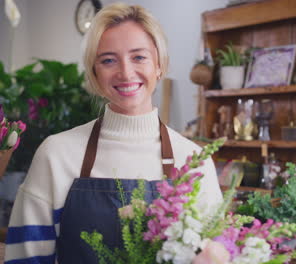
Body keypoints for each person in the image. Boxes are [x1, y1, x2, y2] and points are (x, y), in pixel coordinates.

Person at [4, 3, 222, 263]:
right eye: (108, 60)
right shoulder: (56, 154)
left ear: (159, 65)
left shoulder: (194, 160)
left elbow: (215, 253)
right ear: (95, 73)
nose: (126, 72)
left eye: (139, 57)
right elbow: (26, 258)